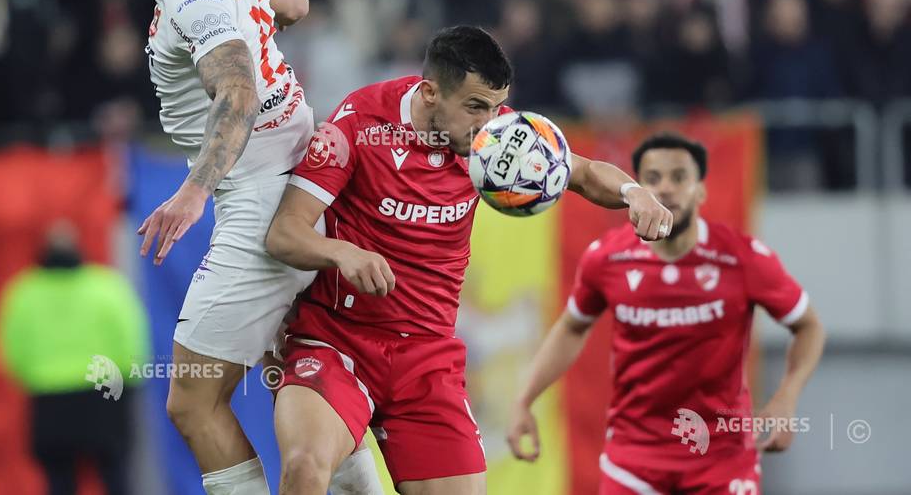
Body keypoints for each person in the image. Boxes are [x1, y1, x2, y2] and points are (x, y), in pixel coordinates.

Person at [265, 25, 674, 494]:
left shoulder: (498, 137)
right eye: (476, 107)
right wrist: (341, 252)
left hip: (427, 355)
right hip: (338, 341)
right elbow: (285, 232)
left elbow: (580, 171)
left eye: (497, 107)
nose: (490, 123)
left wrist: (633, 192)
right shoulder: (356, 127)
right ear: (430, 92)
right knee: (304, 467)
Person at [82, 0, 379, 495]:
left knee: (192, 402)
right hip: (307, 179)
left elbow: (237, 90)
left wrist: (192, 192)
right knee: (294, 373)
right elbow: (293, 1)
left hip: (262, 207)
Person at [507, 132, 826, 494]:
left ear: (701, 190)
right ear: (637, 190)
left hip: (722, 458)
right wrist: (524, 400)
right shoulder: (607, 257)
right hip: (633, 459)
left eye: (679, 177)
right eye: (653, 179)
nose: (666, 189)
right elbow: (571, 328)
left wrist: (787, 396)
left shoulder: (744, 258)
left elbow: (809, 327)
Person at [0, 221, 149, 495]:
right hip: (104, 397)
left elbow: (11, 351)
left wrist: (36, 376)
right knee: (116, 479)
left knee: (59, 483)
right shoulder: (106, 287)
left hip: (50, 401)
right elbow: (131, 339)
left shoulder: (23, 292)